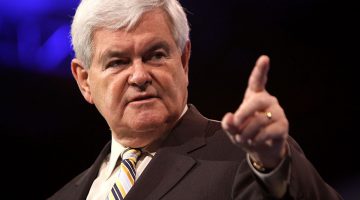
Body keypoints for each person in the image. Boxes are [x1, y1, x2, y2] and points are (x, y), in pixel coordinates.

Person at [49, 0, 343, 199]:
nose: (139, 76)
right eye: (117, 62)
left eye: (155, 55)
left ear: (184, 61)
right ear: (84, 80)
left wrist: (275, 167)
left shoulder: (250, 157)